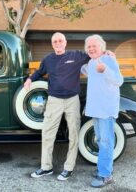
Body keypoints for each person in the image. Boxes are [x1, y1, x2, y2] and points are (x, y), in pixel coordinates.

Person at [25, 32, 90, 181]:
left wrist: (106, 53)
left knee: (74, 134)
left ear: (65, 42)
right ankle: (46, 167)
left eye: (60, 41)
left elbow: (93, 53)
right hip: (54, 100)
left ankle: (68, 168)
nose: (58, 43)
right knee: (47, 134)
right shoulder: (48, 59)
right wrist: (29, 79)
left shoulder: (76, 55)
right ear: (52, 44)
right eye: (55, 41)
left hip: (72, 100)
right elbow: (39, 72)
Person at [80, 34, 123, 188]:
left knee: (106, 142)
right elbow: (82, 69)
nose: (91, 48)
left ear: (102, 47)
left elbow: (119, 80)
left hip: (106, 110)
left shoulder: (108, 60)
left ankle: (105, 175)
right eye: (89, 47)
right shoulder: (90, 63)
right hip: (96, 110)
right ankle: (103, 168)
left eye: (94, 46)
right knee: (100, 140)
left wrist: (105, 69)